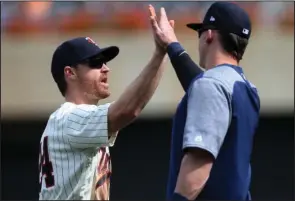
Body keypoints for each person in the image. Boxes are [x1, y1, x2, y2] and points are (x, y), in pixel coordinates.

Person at [38, 7, 177, 200]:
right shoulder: (69, 118)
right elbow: (127, 111)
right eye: (95, 62)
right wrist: (160, 53)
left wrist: (163, 53)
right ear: (70, 73)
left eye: (104, 61)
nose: (105, 68)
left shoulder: (73, 120)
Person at [149, 2, 260, 200]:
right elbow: (201, 87)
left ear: (209, 35)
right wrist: (172, 45)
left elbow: (198, 166)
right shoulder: (245, 87)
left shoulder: (210, 85)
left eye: (199, 32)